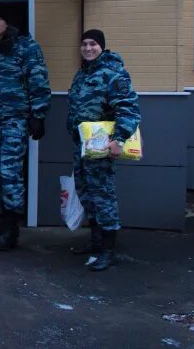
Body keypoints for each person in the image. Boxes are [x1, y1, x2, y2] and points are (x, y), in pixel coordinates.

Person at [0, 8, 51, 251]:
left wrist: (38, 115)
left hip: (15, 121)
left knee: (10, 174)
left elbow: (38, 80)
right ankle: (4, 222)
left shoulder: (25, 47)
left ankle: (12, 231)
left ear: (7, 23)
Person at [67, 29, 140, 272]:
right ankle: (96, 242)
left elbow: (128, 109)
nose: (88, 48)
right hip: (84, 146)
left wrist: (119, 139)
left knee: (103, 196)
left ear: (102, 47)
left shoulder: (113, 73)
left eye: (93, 44)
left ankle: (109, 250)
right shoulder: (83, 73)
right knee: (86, 192)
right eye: (84, 44)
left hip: (103, 147)